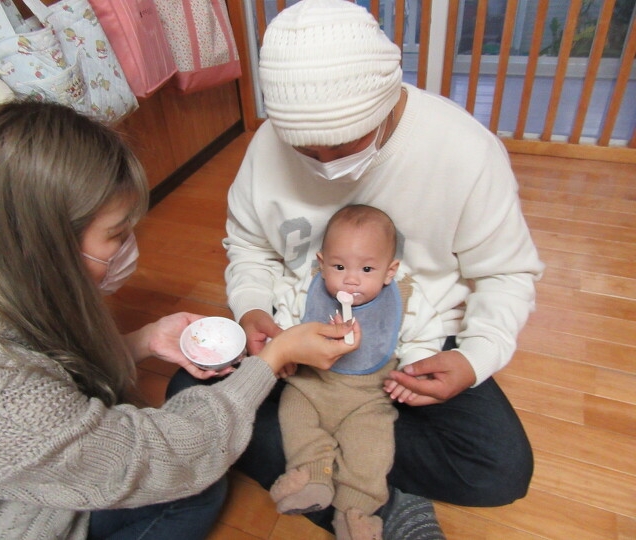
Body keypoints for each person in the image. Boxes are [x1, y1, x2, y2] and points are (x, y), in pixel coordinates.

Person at [168, 0, 544, 535]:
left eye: (341, 145)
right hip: (297, 337)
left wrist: (474, 359)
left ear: (386, 103)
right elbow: (249, 246)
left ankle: (347, 455)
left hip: (415, 344)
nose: (324, 164)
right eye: (305, 150)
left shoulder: (465, 151)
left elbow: (506, 274)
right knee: (185, 395)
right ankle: (372, 505)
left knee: (499, 470)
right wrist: (251, 310)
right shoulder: (267, 145)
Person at [0, 99, 361, 540]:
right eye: (116, 234)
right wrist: (272, 359)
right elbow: (168, 457)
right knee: (196, 482)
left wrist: (143, 340)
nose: (130, 246)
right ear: (48, 242)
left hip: (4, 474)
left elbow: (45, 373)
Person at [270, 204, 445, 539]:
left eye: (366, 269)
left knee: (372, 448)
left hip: (369, 398)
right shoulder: (308, 289)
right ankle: (311, 476)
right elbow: (286, 318)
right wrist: (283, 349)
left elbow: (425, 335)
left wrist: (415, 369)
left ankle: (356, 509)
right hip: (310, 385)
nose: (351, 279)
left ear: (389, 272)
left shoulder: (405, 297)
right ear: (322, 264)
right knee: (293, 416)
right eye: (339, 267)